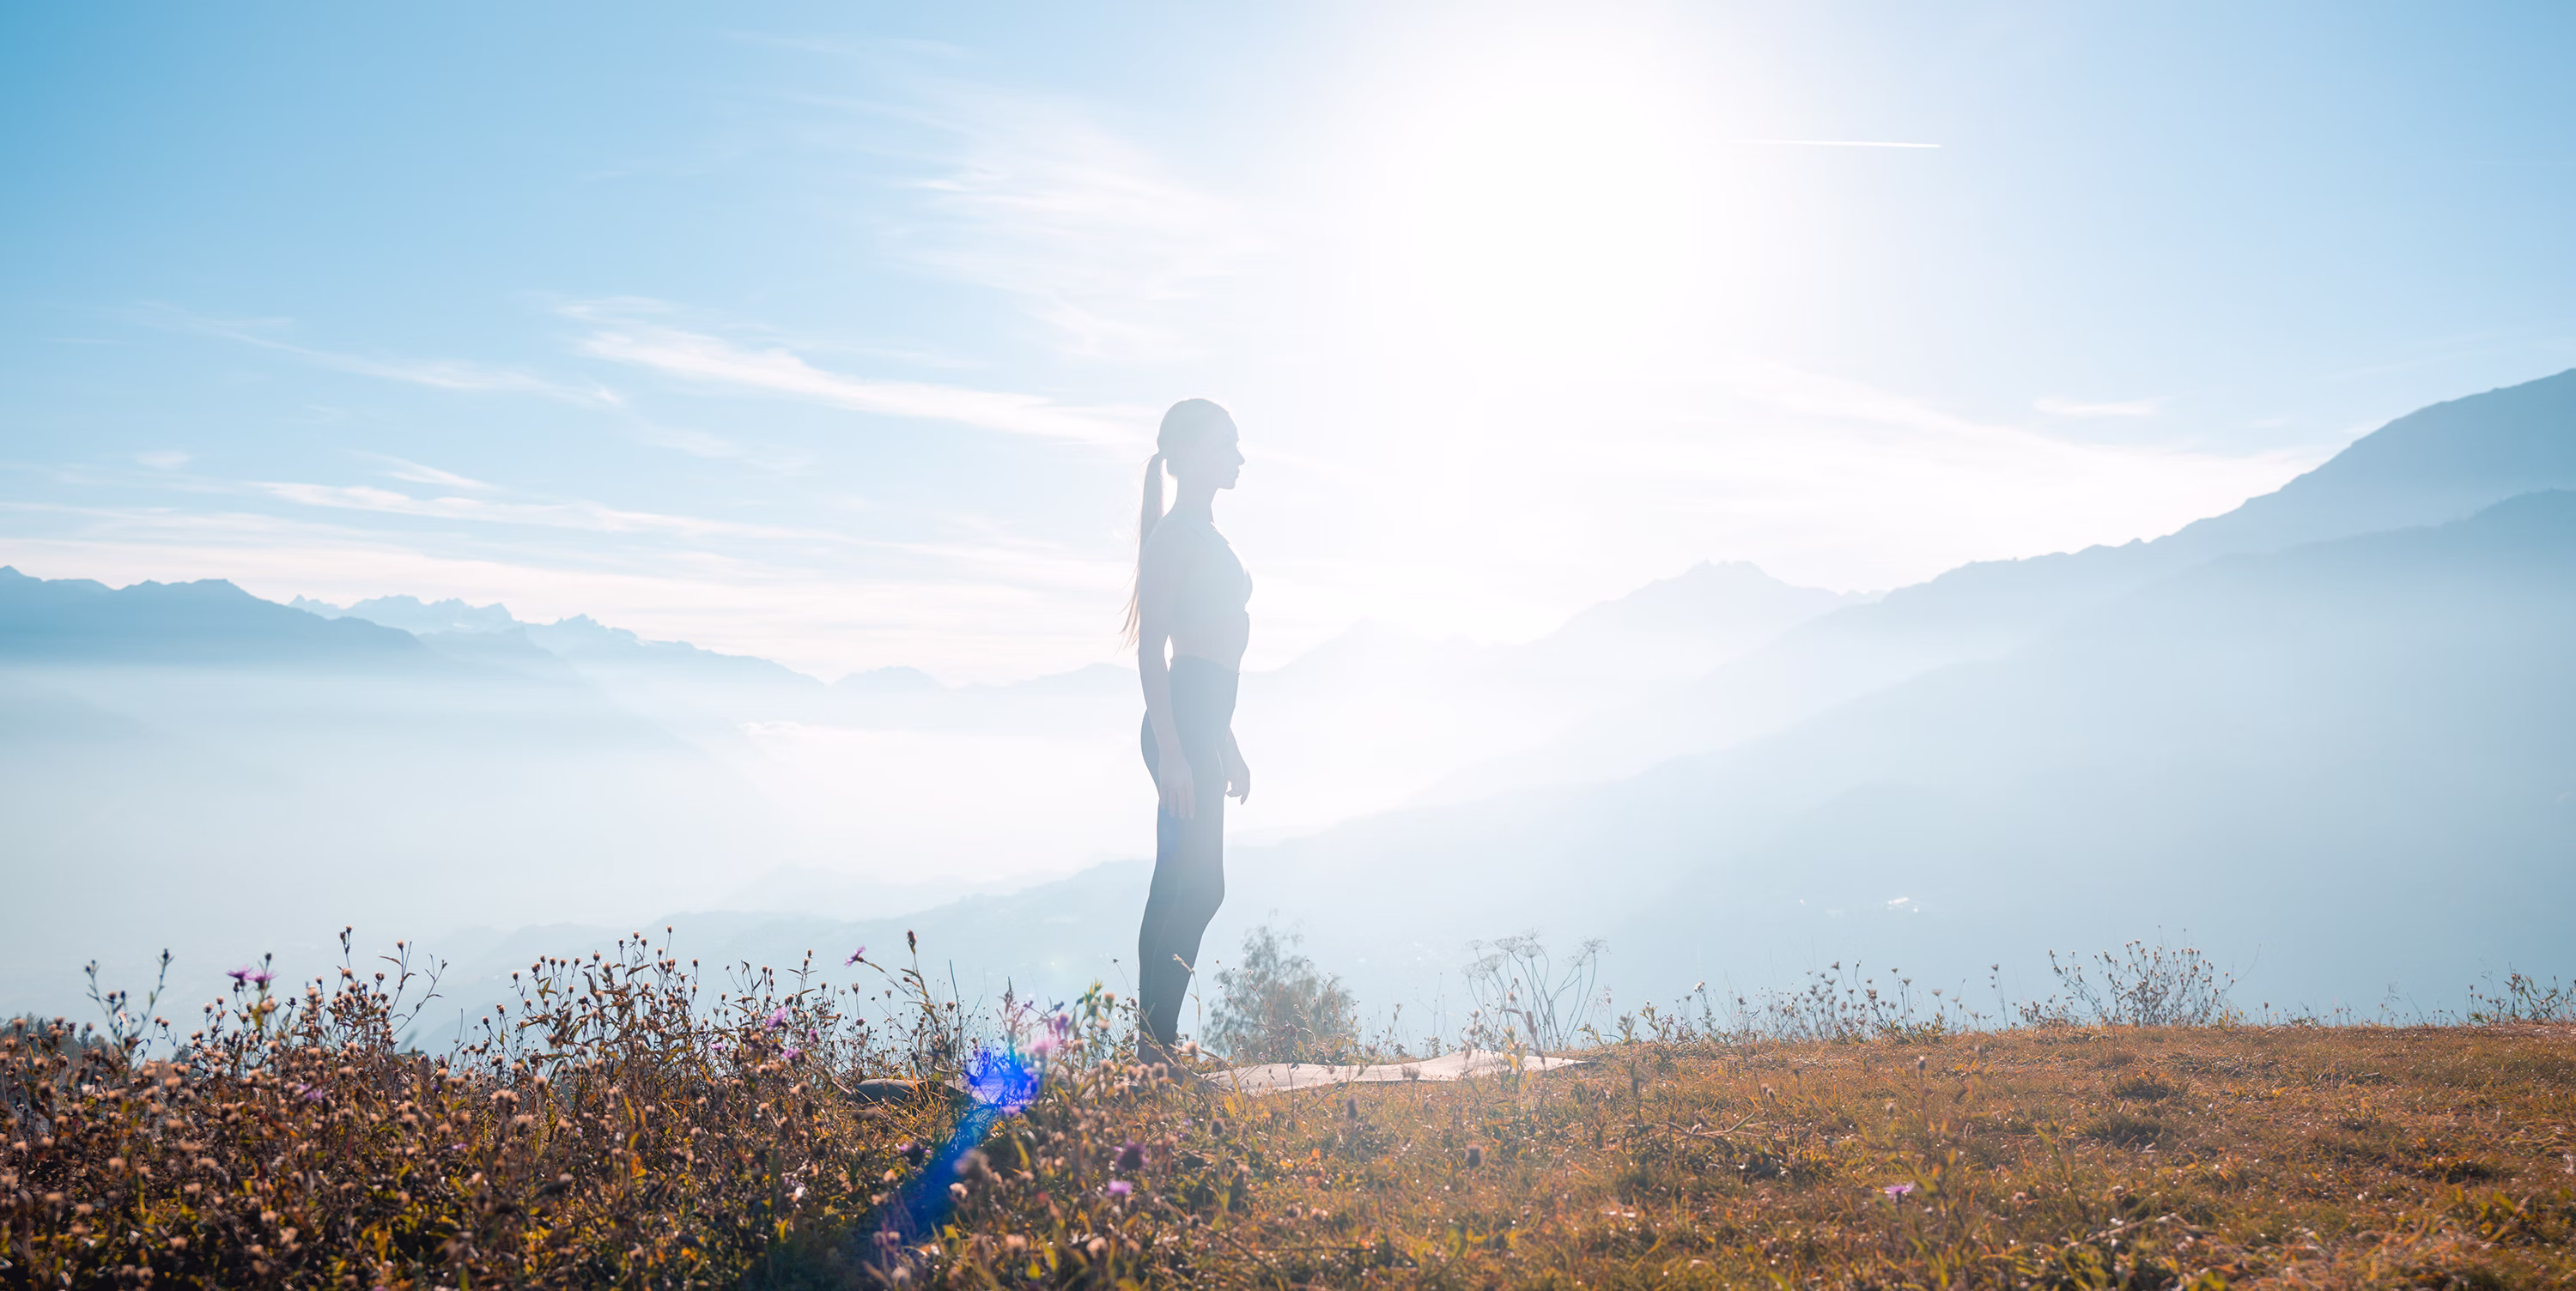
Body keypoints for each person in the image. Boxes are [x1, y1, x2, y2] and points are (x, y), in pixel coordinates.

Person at [1125, 397, 1252, 1065]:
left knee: (1179, 882)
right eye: (1227, 444)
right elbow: (1155, 652)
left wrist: (1226, 745)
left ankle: (1154, 1046)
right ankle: (1157, 1047)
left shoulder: (1203, 532)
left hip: (1202, 723)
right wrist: (1176, 753)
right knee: (1200, 885)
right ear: (1192, 453)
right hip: (1180, 726)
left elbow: (1213, 651)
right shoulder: (1175, 536)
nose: (1239, 457)